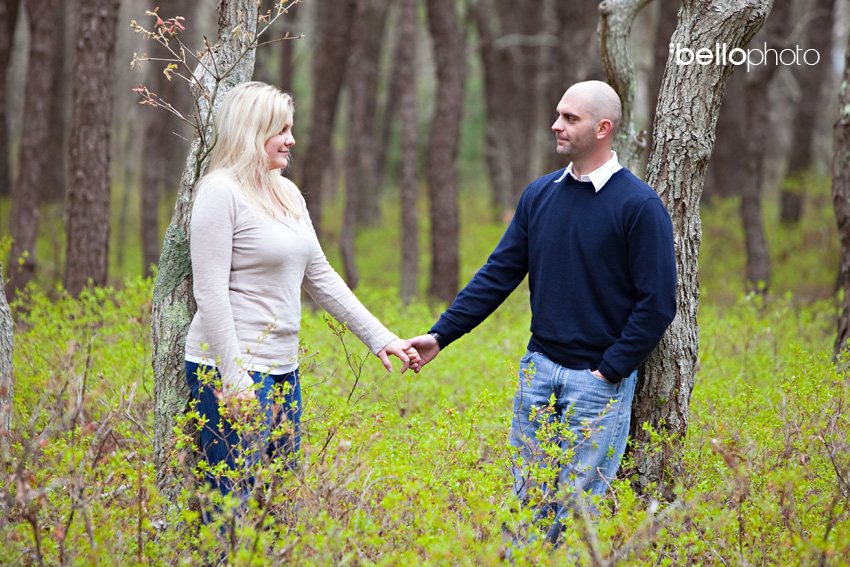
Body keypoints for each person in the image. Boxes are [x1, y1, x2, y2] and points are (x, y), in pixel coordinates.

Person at [407, 80, 677, 545]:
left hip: (597, 384)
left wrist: (607, 372)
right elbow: (498, 274)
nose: (557, 125)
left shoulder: (639, 206)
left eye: (570, 118)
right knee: (529, 507)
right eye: (558, 114)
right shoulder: (541, 195)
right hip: (539, 372)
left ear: (603, 128)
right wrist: (441, 335)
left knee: (577, 520)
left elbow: (658, 304)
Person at [184, 81, 418, 517]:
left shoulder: (286, 191)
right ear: (253, 132)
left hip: (283, 369)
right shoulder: (220, 192)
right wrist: (233, 379)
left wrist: (380, 337)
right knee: (229, 509)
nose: (292, 139)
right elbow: (209, 292)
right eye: (282, 129)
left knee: (277, 504)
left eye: (292, 127)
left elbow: (320, 275)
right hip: (231, 369)